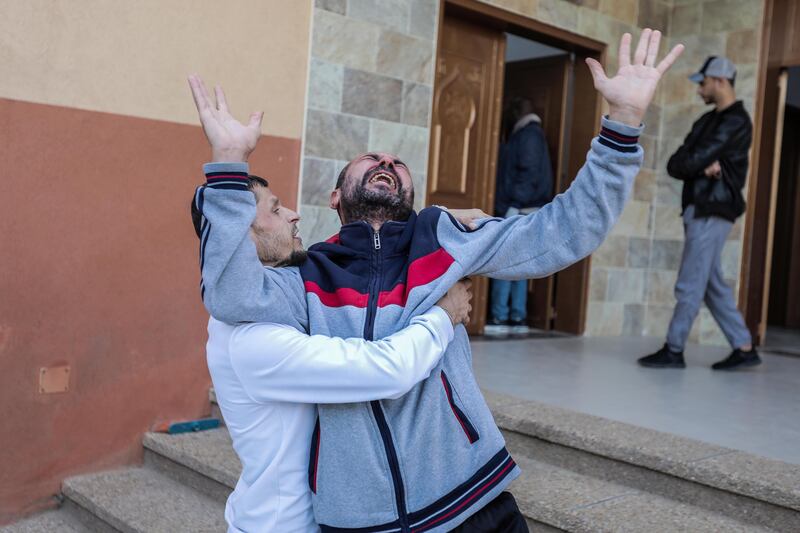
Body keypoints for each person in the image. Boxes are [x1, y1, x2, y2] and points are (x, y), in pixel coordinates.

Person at [191, 29, 683, 532]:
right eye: (370, 160)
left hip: (471, 501)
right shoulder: (309, 276)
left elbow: (565, 231)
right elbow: (231, 293)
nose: (386, 162)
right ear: (335, 198)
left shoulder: (444, 237)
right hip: (363, 520)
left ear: (411, 194)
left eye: (398, 163)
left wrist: (622, 123)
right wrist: (229, 166)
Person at [191, 175, 474, 532]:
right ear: (240, 234)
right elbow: (386, 370)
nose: (294, 215)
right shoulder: (251, 341)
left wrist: (432, 224)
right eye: (276, 210)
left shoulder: (282, 301)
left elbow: (346, 257)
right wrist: (443, 316)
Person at [638, 56, 761, 371]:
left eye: (702, 83)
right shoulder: (707, 121)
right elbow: (676, 163)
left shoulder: (736, 121)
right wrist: (697, 166)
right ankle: (744, 346)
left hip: (713, 208)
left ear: (720, 80)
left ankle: (674, 349)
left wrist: (695, 164)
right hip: (700, 206)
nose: (699, 90)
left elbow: (689, 161)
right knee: (710, 283)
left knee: (690, 281)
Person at [487, 97, 554, 335]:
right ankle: (516, 317)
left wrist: (512, 204)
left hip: (520, 209)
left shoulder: (529, 136)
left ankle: (500, 316)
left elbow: (528, 173)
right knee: (518, 263)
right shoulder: (530, 134)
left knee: (504, 262)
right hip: (527, 209)